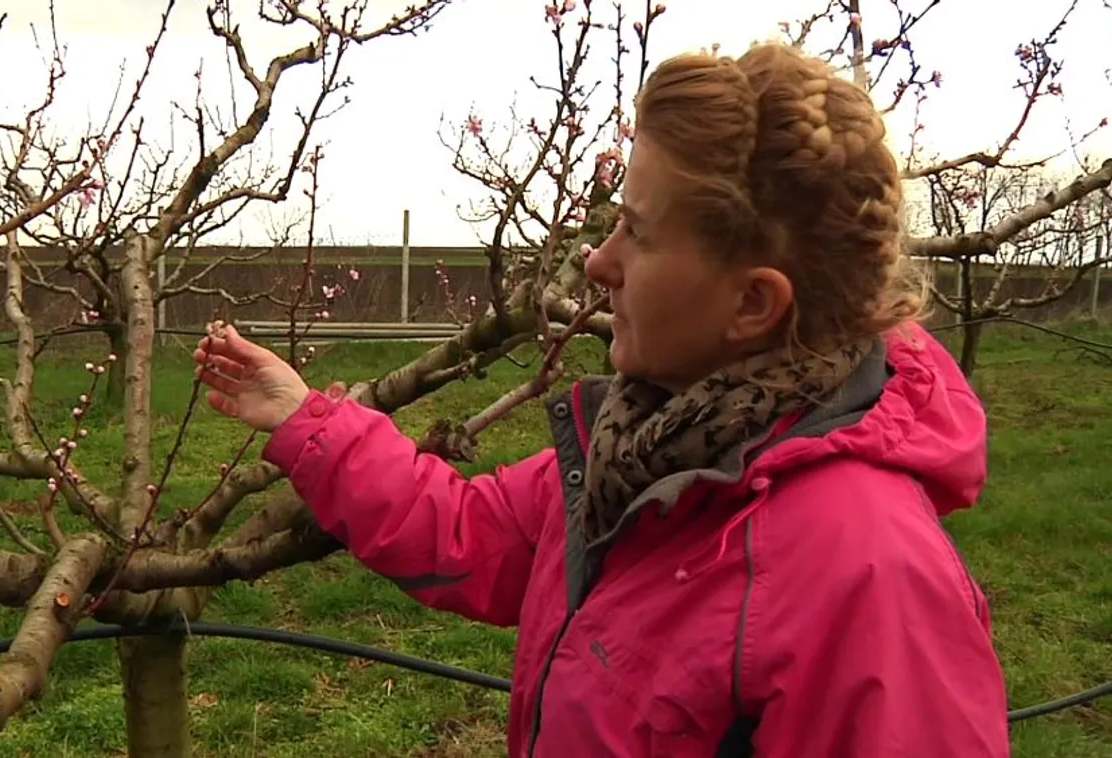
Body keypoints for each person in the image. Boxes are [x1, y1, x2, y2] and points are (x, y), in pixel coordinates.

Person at [193, 42, 1010, 758]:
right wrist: (309, 422)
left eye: (640, 234)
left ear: (751, 305)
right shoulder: (645, 452)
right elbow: (468, 533)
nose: (597, 264)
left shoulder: (869, 584)